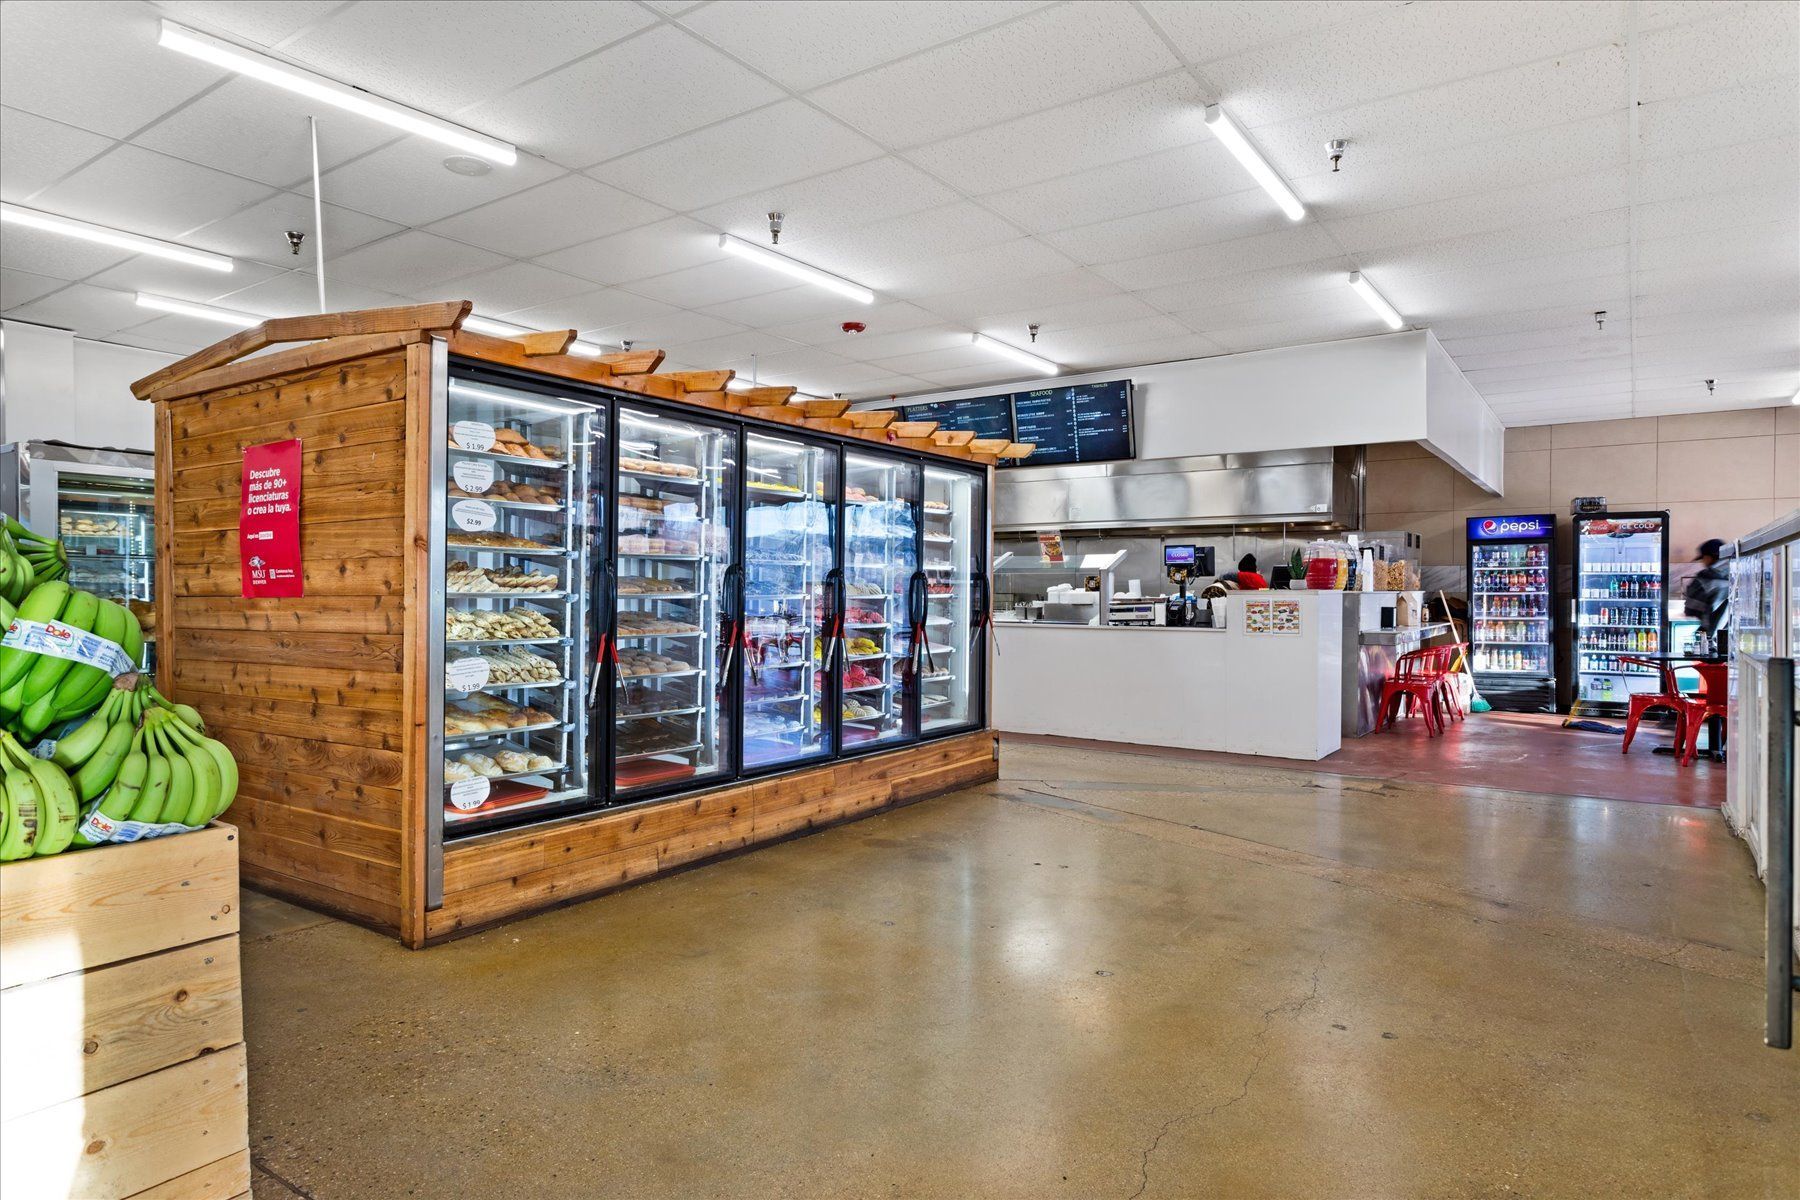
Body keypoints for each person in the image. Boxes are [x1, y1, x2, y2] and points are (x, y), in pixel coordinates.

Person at [1683, 537, 1729, 638]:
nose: (1703, 563)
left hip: (1712, 635)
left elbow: (1690, 610)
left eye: (1703, 559)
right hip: (1735, 638)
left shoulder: (1705, 577)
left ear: (1708, 557)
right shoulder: (1740, 572)